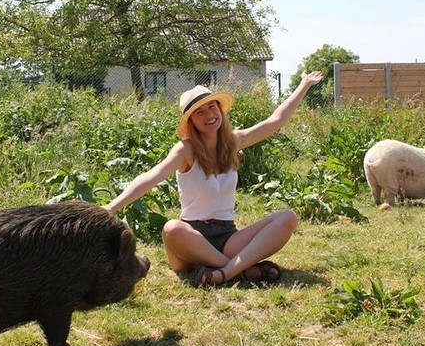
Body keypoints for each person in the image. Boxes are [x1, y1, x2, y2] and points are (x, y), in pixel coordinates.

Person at [103, 71, 324, 287]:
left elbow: (275, 121)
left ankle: (226, 272)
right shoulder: (185, 150)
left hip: (227, 238)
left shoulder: (234, 141)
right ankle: (243, 268)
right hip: (190, 241)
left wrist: (304, 84)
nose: (209, 115)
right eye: (199, 112)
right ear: (191, 122)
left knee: (287, 218)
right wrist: (110, 208)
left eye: (212, 107)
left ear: (220, 109)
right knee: (172, 228)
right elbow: (151, 176)